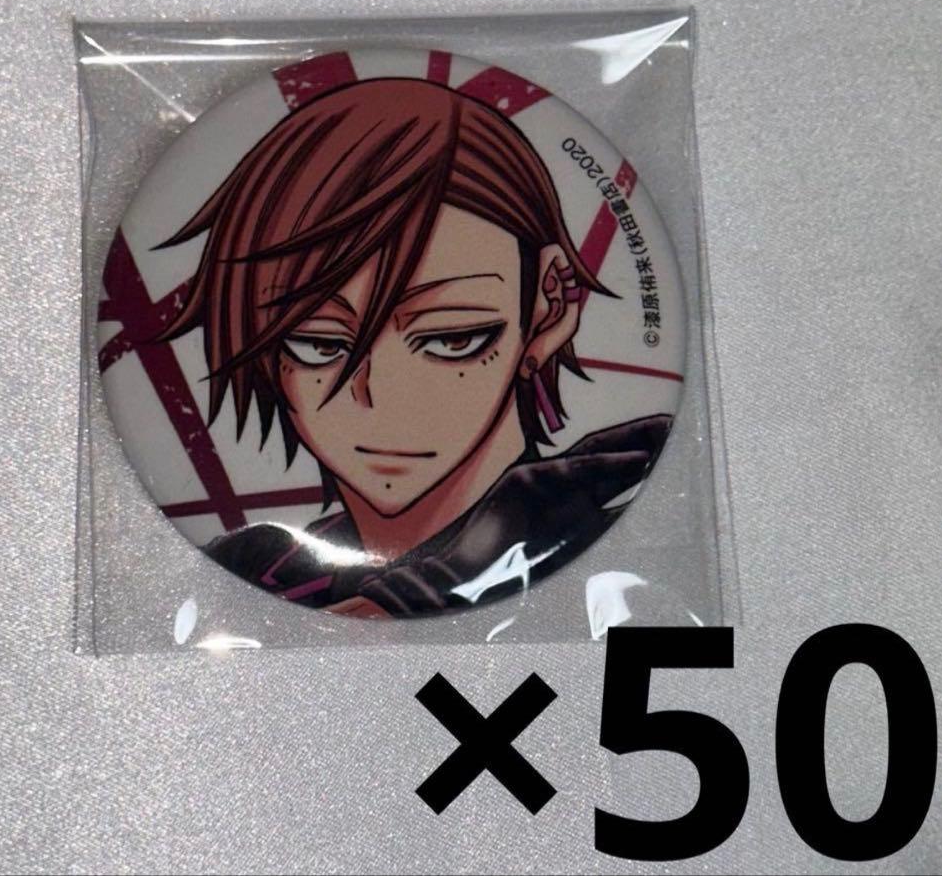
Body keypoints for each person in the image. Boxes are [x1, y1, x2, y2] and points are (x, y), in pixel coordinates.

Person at [157, 77, 671, 617]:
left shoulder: (621, 551)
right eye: (319, 343)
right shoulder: (258, 569)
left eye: (453, 338)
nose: (379, 400)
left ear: (550, 307)